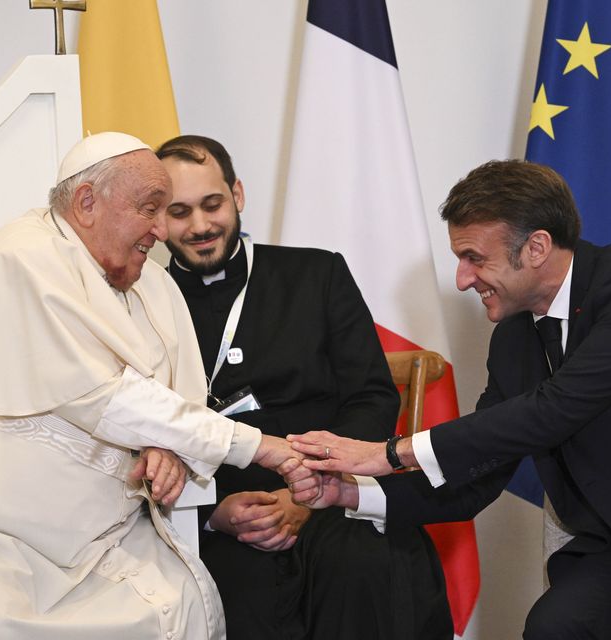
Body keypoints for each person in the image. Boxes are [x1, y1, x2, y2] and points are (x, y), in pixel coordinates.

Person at [288, 159, 611, 639]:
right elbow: (477, 472)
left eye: (474, 258)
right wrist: (351, 494)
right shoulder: (514, 338)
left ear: (535, 248)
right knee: (556, 626)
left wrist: (389, 452)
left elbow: (557, 409)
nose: (464, 279)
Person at [0, 132, 317, 640]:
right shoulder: (21, 257)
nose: (162, 230)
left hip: (98, 537)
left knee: (176, 607)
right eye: (150, 209)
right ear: (88, 202)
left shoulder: (152, 282)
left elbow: (177, 399)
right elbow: (102, 397)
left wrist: (172, 450)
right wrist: (258, 447)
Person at [154, 134, 453, 640]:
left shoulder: (317, 273)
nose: (201, 226)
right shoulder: (144, 300)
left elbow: (372, 395)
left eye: (213, 204)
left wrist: (309, 492)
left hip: (328, 493)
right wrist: (212, 513)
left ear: (238, 195)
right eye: (179, 212)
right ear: (156, 219)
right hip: (214, 509)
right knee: (205, 588)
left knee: (364, 564)